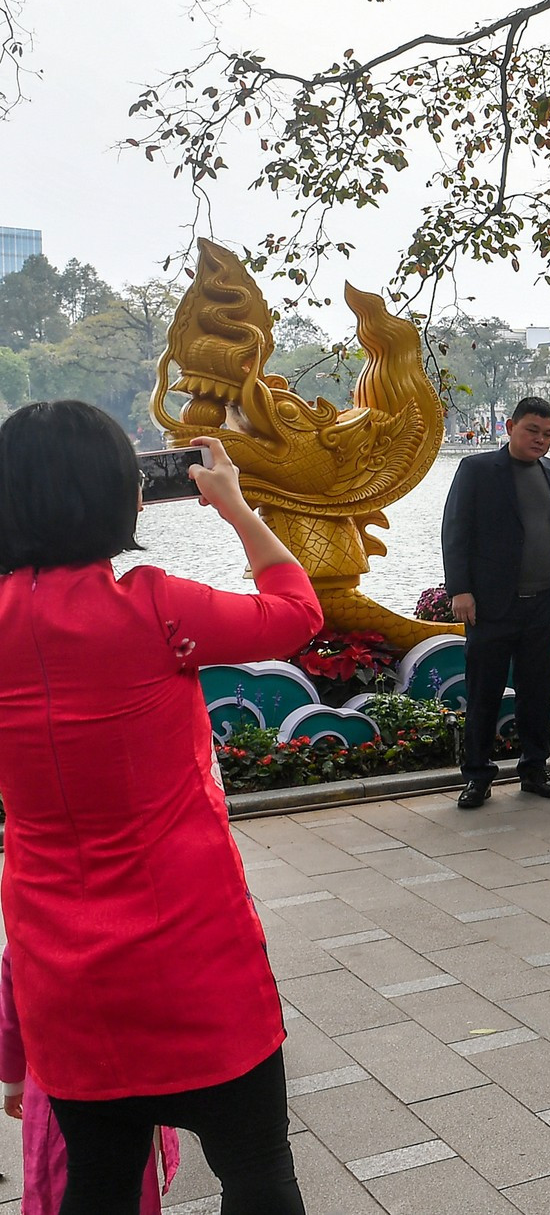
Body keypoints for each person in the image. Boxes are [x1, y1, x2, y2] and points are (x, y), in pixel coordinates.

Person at [0, 400, 320, 1215]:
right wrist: (236, 504)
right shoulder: (154, 605)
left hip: (65, 975)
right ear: (126, 494)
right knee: (257, 1174)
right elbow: (297, 614)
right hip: (193, 954)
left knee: (98, 1186)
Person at [442, 396, 550, 808]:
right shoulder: (478, 470)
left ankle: (535, 769)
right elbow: (455, 531)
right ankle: (478, 776)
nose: (541, 440)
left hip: (543, 604)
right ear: (509, 427)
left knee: (536, 692)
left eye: (548, 433)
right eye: (532, 431)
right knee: (483, 691)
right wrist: (460, 590)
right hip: (490, 604)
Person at [2, 946, 182, 1215]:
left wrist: (13, 1085)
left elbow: (12, 1016)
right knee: (131, 1179)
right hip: (130, 1079)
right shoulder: (131, 928)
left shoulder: (30, 935)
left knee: (64, 1179)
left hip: (58, 1084)